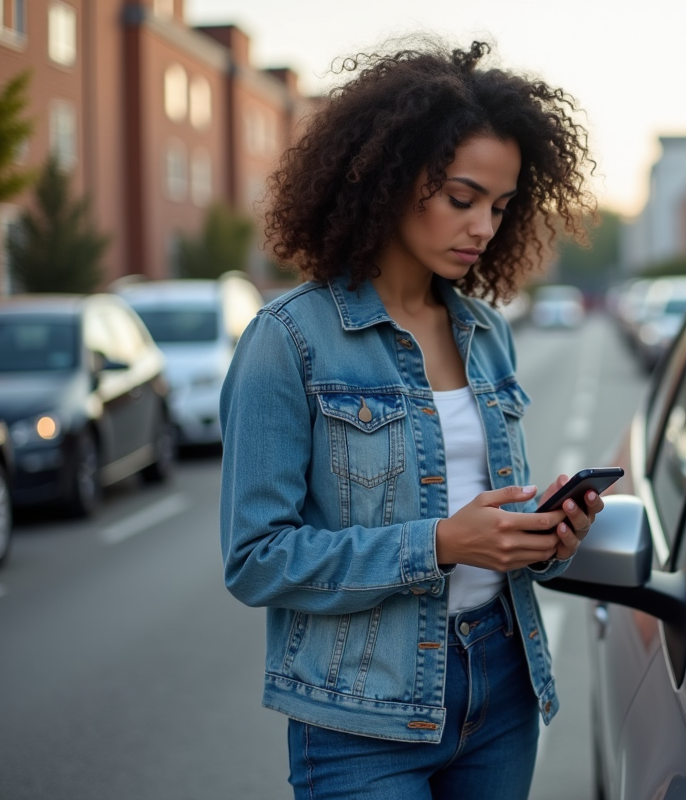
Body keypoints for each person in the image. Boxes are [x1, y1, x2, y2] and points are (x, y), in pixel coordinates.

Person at [218, 39, 600, 800]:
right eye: (462, 198)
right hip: (363, 714)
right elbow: (256, 559)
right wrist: (439, 544)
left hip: (503, 683)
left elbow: (493, 522)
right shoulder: (289, 339)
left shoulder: (485, 334)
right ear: (388, 181)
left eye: (500, 205)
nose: (484, 226)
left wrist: (545, 539)